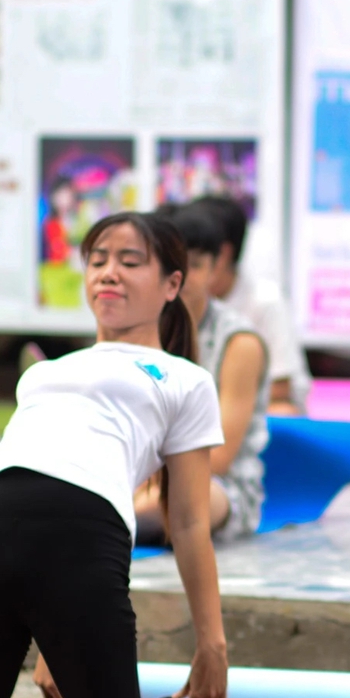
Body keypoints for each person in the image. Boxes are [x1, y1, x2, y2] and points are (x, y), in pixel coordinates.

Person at [0, 211, 235, 698]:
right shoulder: (45, 372)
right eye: (97, 261)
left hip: (82, 538)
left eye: (129, 261)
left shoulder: (183, 379)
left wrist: (211, 644)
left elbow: (190, 520)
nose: (108, 274)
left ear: (172, 285)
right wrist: (51, 638)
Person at [133, 202, 269, 542]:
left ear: (215, 268)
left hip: (219, 487)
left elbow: (219, 457)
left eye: (195, 265)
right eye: (171, 265)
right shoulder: (138, 326)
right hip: (137, 476)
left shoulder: (239, 342)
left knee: (182, 500)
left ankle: (91, 521)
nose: (183, 278)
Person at [184, 193, 310, 415]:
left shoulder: (265, 301)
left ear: (221, 255)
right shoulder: (181, 298)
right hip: (203, 405)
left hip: (253, 407)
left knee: (282, 411)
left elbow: (281, 387)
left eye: (193, 260)